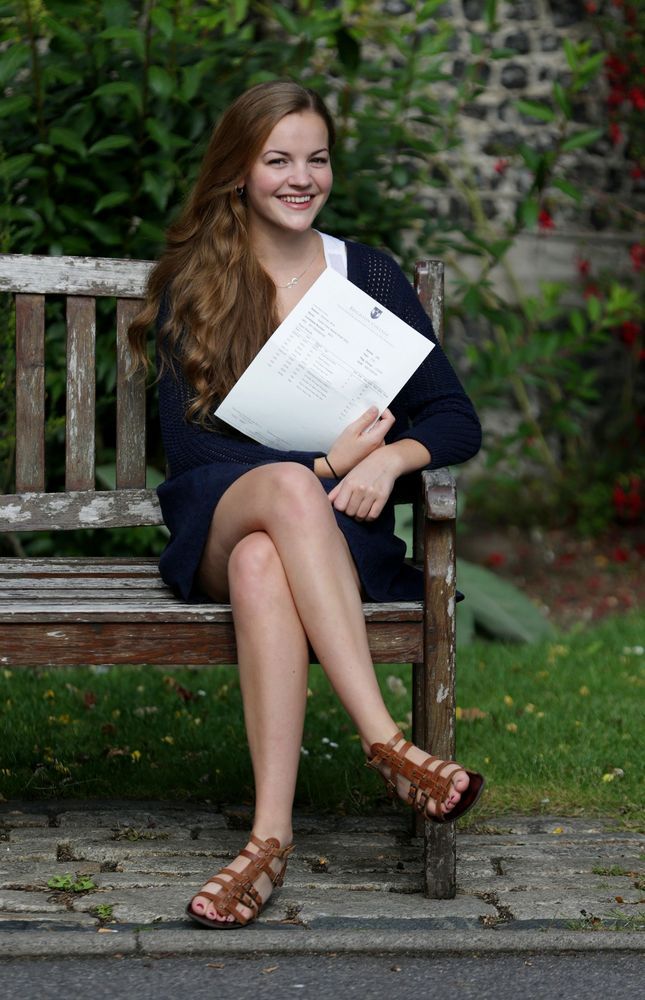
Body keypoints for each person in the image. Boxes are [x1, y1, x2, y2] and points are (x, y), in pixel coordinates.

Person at [128, 80, 484, 930]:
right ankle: (386, 744)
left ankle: (267, 841)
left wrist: (388, 459)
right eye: (277, 160)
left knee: (268, 561)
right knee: (280, 502)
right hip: (217, 518)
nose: (301, 178)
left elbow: (453, 416)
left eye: (316, 159)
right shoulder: (194, 282)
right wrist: (326, 463)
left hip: (328, 540)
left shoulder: (367, 274)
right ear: (237, 171)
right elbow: (195, 453)